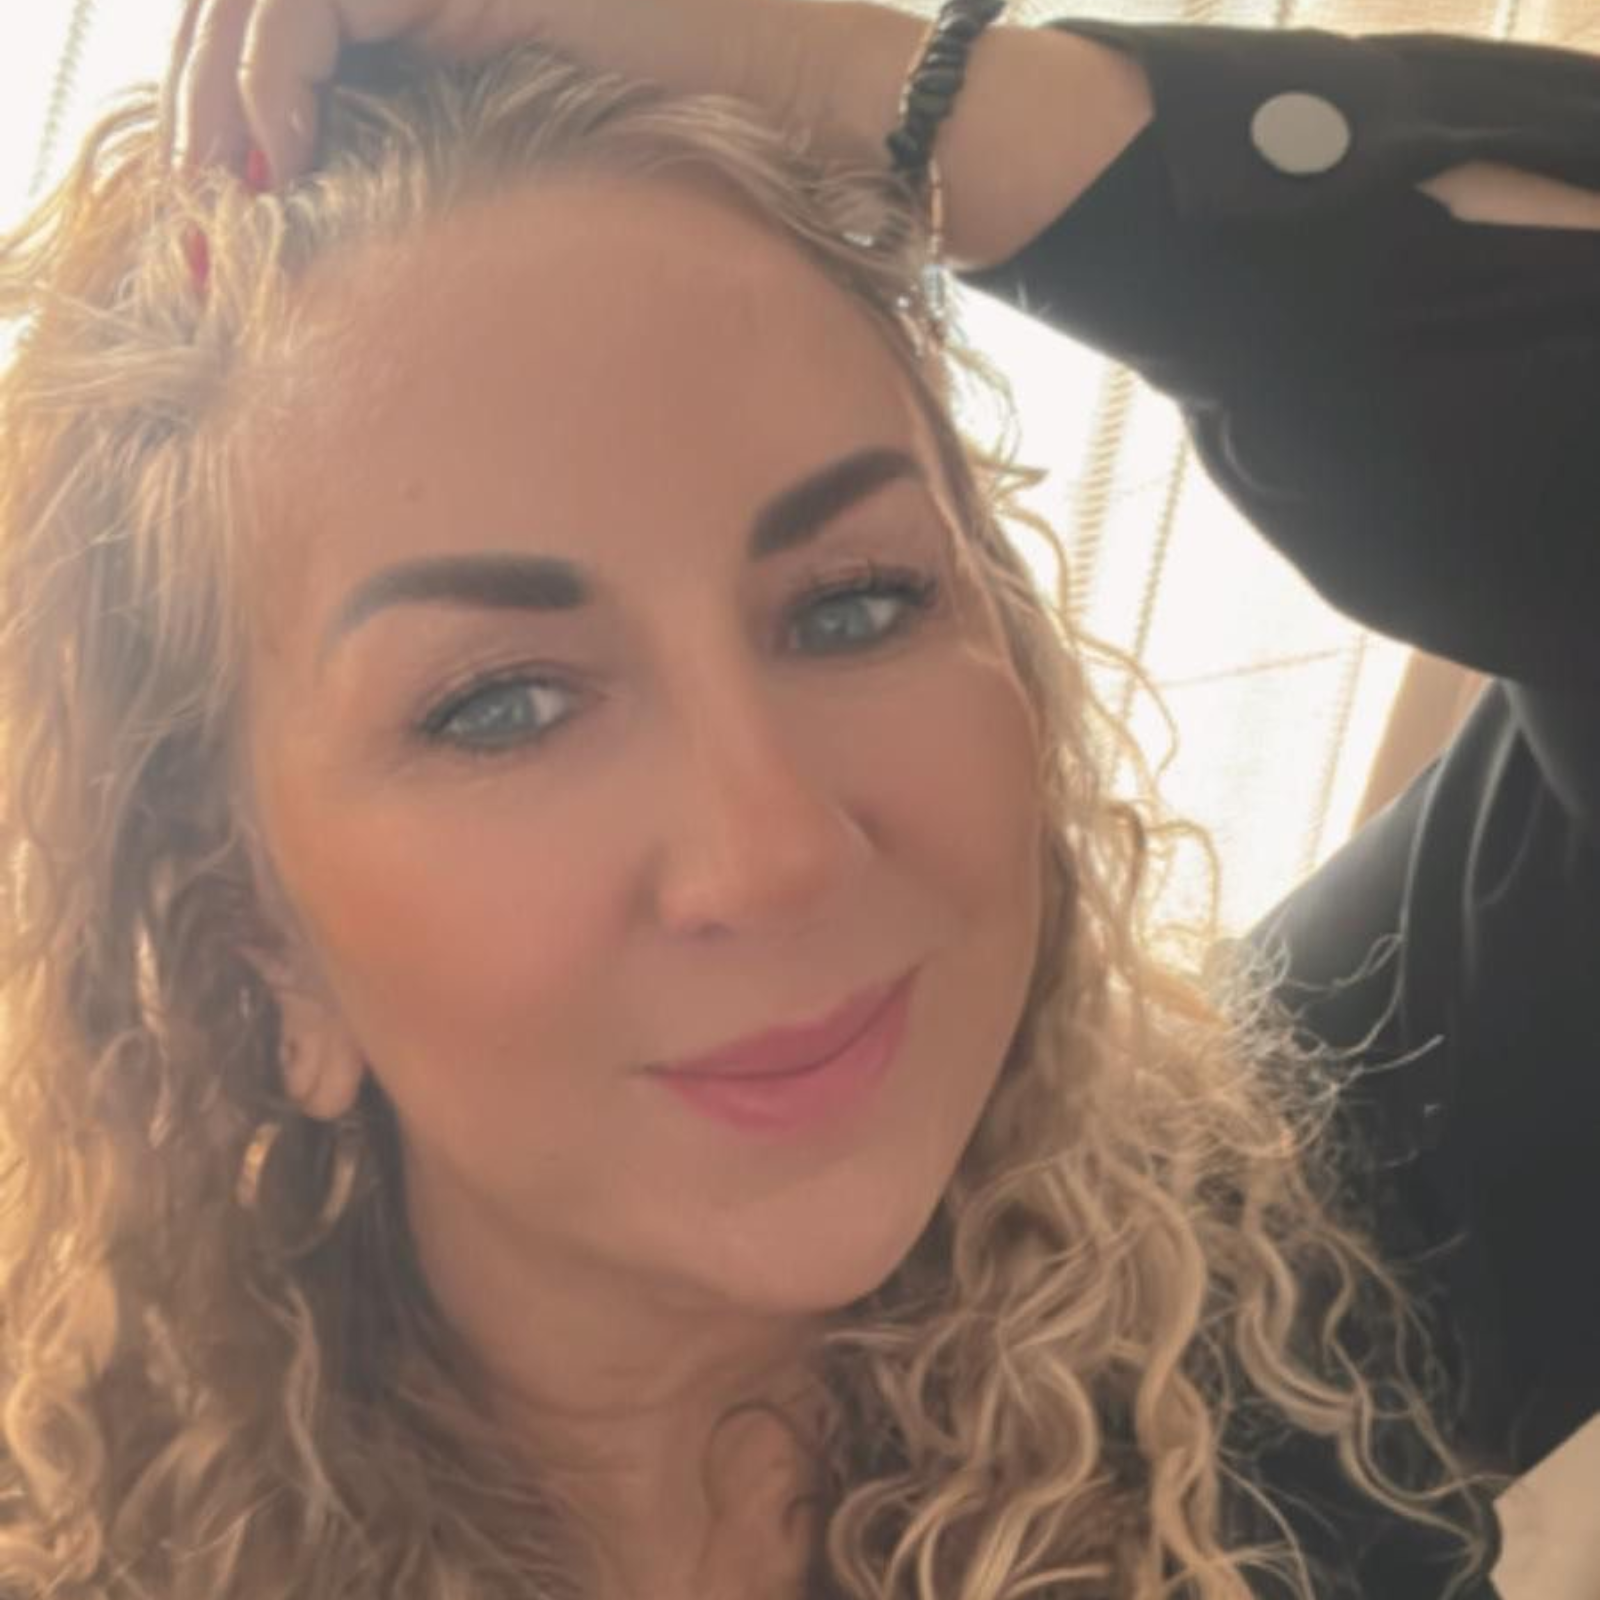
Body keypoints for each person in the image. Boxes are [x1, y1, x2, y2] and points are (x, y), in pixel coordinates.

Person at [0, 2, 1591, 1597]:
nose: (772, 855)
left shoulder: (1293, 1269)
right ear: (251, 930)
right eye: (503, 707)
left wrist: (887, 85)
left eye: (853, 605)